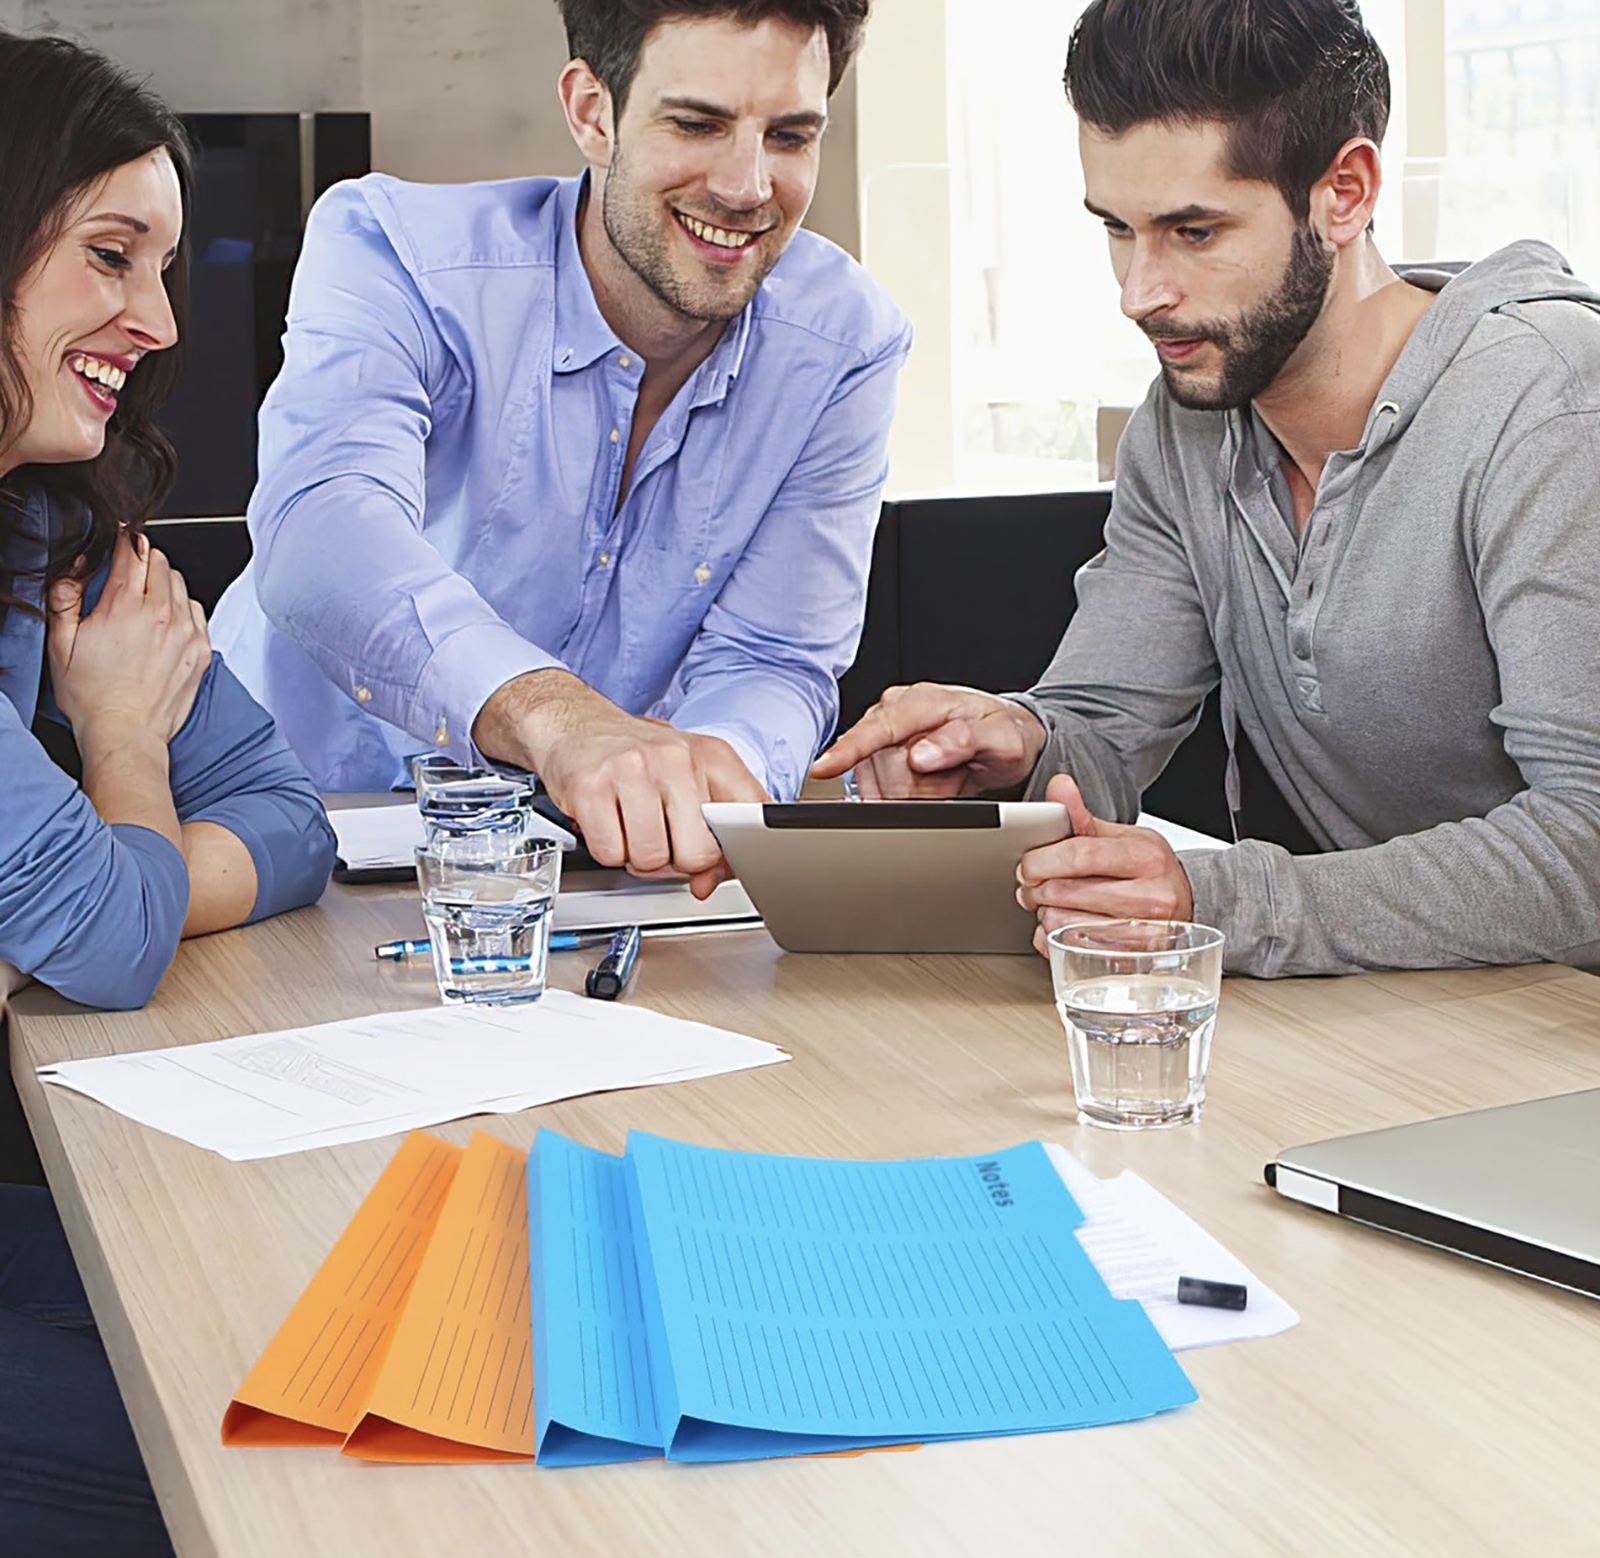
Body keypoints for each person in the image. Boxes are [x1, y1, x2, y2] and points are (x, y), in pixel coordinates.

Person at [815, 0, 1600, 979]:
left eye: (1193, 231)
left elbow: (1589, 842)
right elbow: (1102, 732)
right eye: (1118, 228)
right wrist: (1015, 743)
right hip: (1414, 1015)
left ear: (1344, 193)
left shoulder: (1551, 406)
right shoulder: (1185, 422)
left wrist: (1226, 901)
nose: (1138, 292)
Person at [210, 0, 910, 895]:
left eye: (789, 136)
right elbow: (320, 535)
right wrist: (556, 715)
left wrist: (711, 775)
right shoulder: (396, 251)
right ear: (591, 111)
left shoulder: (845, 343)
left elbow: (774, 657)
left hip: (582, 872)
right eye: (697, 124)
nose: (747, 187)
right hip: (280, 838)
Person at [0, 32, 336, 1558]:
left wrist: (73, 899)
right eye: (108, 255)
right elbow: (114, 940)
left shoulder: (52, 533)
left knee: (300, 1338)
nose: (161, 320)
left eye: (165, 264)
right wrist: (122, 747)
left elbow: (286, 814)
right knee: (268, 1494)